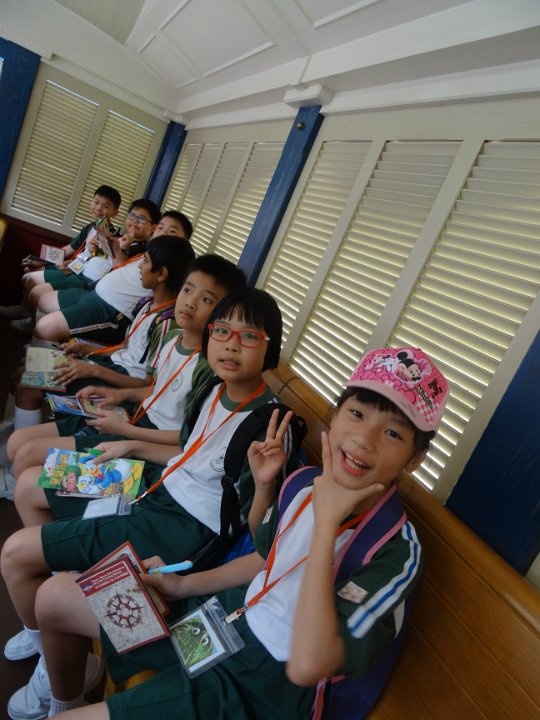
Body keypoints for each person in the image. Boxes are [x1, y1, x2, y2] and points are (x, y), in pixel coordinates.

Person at [2, 346, 449, 720]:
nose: (365, 439)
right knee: (54, 597)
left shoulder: (396, 550)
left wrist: (327, 523)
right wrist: (185, 583)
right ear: (336, 415)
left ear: (415, 459)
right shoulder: (302, 480)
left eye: (393, 433)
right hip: (223, 618)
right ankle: (66, 698)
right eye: (356, 413)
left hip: (263, 682)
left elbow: (309, 665)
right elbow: (265, 556)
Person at [1, 287, 290, 719]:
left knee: (16, 553)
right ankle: (55, 648)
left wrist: (264, 487)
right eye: (223, 331)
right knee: (29, 486)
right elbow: (186, 452)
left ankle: (60, 675)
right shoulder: (214, 388)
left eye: (249, 336)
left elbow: (256, 530)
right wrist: (130, 446)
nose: (231, 344)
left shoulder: (271, 426)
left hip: (180, 530)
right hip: (150, 485)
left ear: (271, 348)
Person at [10, 254, 247, 528]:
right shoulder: (173, 338)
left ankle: (60, 529)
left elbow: (188, 440)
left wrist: (125, 429)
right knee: (20, 446)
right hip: (130, 418)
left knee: (27, 468)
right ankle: (56, 519)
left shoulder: (212, 369)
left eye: (206, 299)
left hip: (149, 450)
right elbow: (157, 391)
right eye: (187, 290)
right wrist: (118, 395)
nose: (190, 302)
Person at [0, 235, 194, 495]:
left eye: (145, 261)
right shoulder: (148, 304)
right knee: (24, 373)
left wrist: (92, 368)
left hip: (116, 381)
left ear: (162, 274)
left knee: (28, 384)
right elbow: (127, 349)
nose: (138, 266)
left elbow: (146, 383)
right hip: (107, 365)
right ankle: (19, 435)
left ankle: (18, 465)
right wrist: (89, 351)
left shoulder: (168, 325)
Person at [31, 200, 166, 345]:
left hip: (91, 287)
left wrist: (122, 248)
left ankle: (37, 339)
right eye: (132, 216)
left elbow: (116, 272)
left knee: (38, 296)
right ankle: (33, 331)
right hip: (81, 275)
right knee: (36, 288)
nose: (134, 221)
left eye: (141, 219)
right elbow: (93, 257)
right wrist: (92, 250)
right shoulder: (104, 232)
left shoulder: (141, 252)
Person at [0, 186, 122, 335]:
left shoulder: (112, 238)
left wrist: (70, 264)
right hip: (74, 267)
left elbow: (96, 262)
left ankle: (32, 321)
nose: (98, 208)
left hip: (81, 275)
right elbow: (69, 249)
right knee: (29, 269)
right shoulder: (90, 227)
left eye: (106, 206)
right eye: (96, 202)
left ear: (115, 213)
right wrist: (42, 260)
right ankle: (25, 309)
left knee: (31, 279)